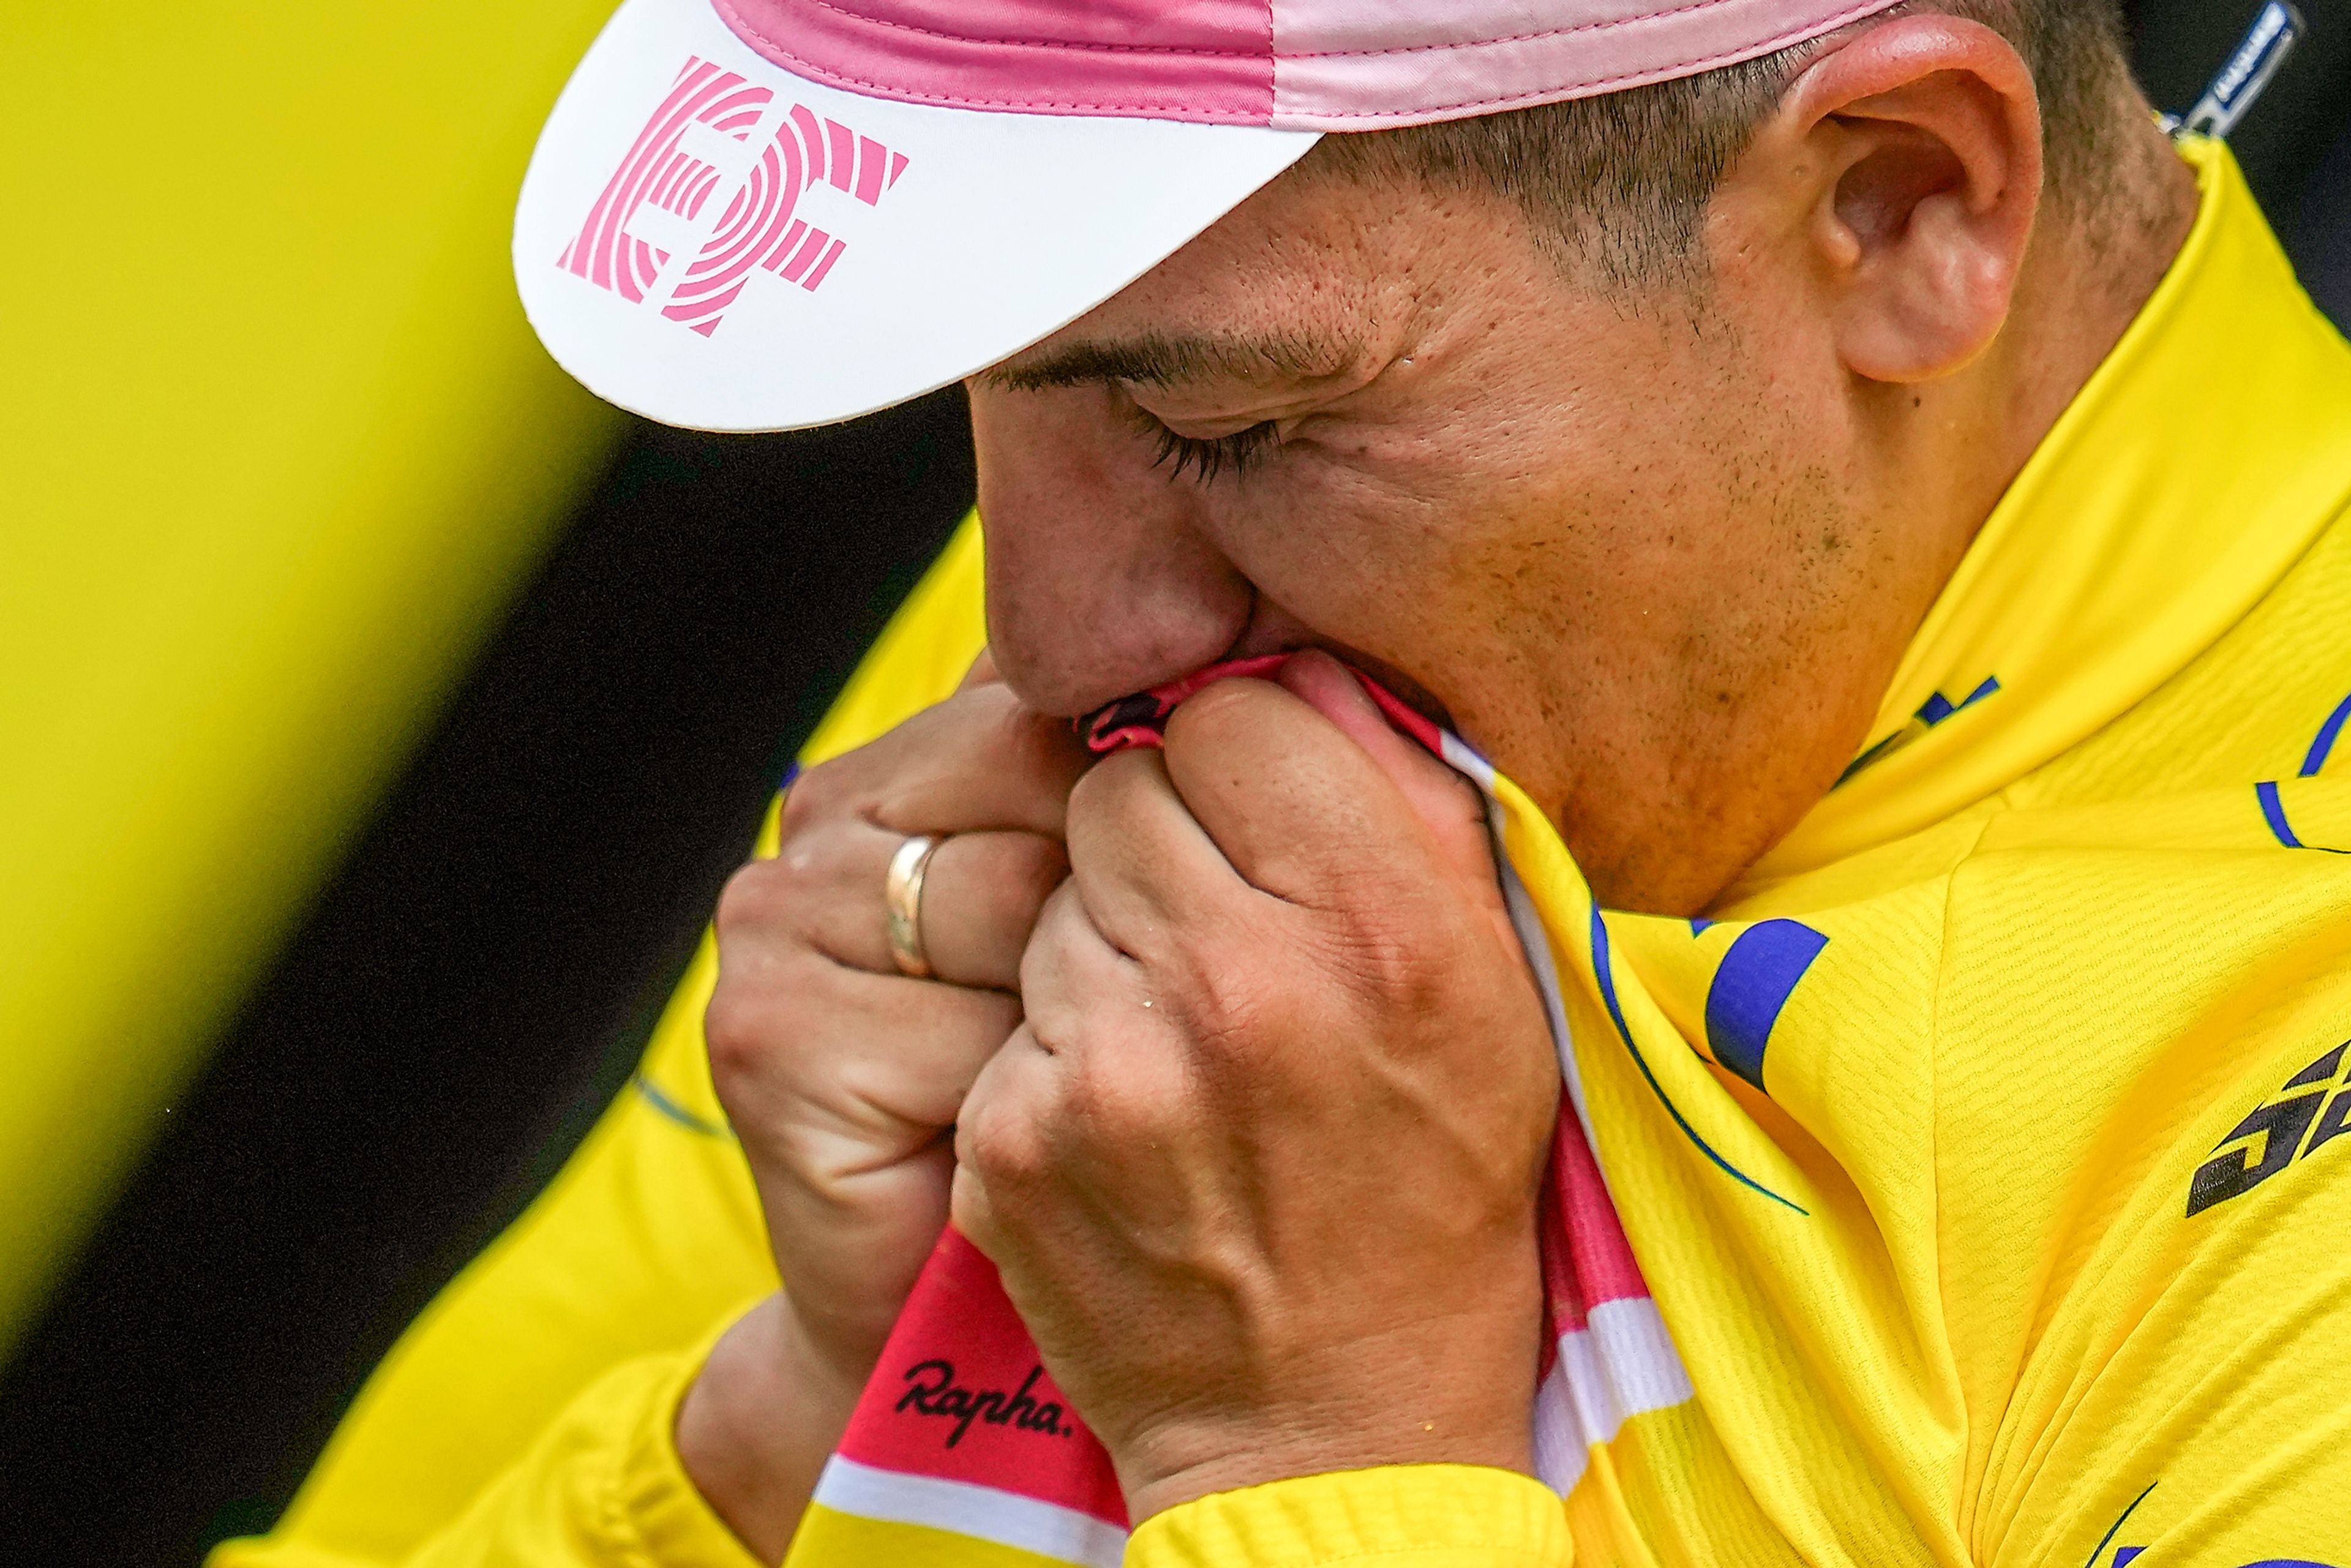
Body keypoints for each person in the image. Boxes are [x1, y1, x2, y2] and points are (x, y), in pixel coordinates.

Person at [214, 0, 2351, 1564]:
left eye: (1229, 428)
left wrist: (1311, 1457)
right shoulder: (1173, 592)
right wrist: (798, 1418)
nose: (1045, 638)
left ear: (1901, 201)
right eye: (990, 381)